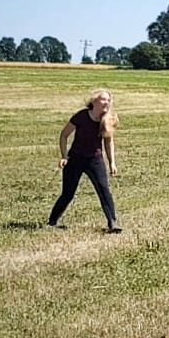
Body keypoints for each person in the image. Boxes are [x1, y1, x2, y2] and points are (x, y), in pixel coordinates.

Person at [47, 88, 123, 233]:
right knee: (68, 193)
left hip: (95, 159)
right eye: (103, 99)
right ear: (94, 101)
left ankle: (113, 222)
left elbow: (108, 142)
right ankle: (52, 221)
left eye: (108, 100)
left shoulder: (107, 120)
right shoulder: (81, 116)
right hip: (75, 158)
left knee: (103, 189)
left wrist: (112, 162)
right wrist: (64, 156)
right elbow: (64, 135)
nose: (106, 102)